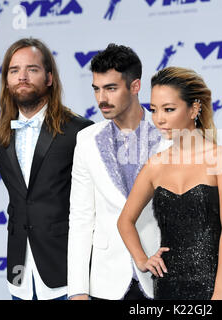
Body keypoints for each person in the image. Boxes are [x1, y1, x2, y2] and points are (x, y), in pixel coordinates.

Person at [117, 66, 222, 300]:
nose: (159, 119)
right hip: (168, 285)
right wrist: (143, 259)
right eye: (154, 110)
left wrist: (221, 290)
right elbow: (125, 221)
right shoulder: (154, 165)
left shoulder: (220, 157)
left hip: (215, 283)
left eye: (169, 109)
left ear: (194, 108)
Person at [0, 38, 93, 300]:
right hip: (19, 272)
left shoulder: (80, 131)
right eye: (14, 71)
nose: (22, 77)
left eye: (31, 69)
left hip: (67, 273)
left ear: (49, 78)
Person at [67, 44, 170, 300]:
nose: (102, 98)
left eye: (111, 88)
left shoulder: (171, 136)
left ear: (135, 86)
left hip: (163, 275)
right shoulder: (86, 140)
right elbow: (80, 219)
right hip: (107, 280)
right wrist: (77, 289)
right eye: (96, 89)